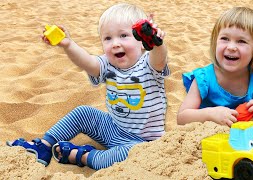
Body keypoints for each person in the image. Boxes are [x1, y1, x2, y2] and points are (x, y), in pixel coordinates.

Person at [7, 3, 169, 170]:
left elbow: (159, 59)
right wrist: (69, 45)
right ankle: (45, 145)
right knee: (83, 112)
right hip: (112, 127)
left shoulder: (148, 64)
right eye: (108, 38)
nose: (115, 43)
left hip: (141, 142)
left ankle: (83, 156)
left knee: (130, 154)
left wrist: (157, 42)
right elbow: (88, 62)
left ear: (142, 41)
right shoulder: (108, 64)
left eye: (123, 35)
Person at [177, 7, 253, 144]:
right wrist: (210, 114)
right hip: (208, 144)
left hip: (245, 148)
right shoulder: (204, 79)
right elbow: (181, 118)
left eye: (241, 41)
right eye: (225, 38)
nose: (231, 47)